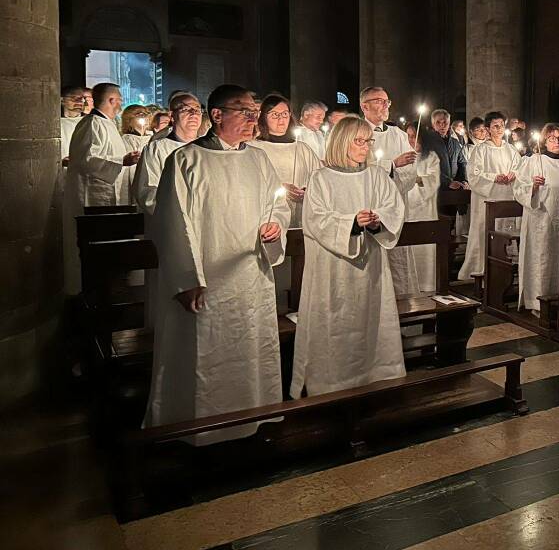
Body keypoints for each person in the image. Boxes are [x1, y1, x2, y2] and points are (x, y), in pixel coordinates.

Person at [144, 84, 291, 445]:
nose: (253, 118)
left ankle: (254, 419)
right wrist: (187, 279)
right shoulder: (185, 161)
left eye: (254, 111)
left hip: (250, 279)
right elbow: (173, 223)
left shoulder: (257, 158)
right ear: (217, 115)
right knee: (204, 355)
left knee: (250, 352)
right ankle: (198, 431)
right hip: (207, 279)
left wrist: (275, 226)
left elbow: (278, 205)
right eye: (244, 111)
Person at [290, 116, 407, 397]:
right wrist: (351, 223)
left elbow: (395, 208)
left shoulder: (377, 175)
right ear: (342, 142)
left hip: (371, 268)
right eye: (359, 141)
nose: (366, 146)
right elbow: (315, 220)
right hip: (333, 269)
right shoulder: (321, 178)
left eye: (369, 141)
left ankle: (377, 374)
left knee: (371, 320)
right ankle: (332, 383)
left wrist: (378, 221)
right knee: (335, 322)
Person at [131, 93, 204, 328]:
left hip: (203, 231)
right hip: (170, 231)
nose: (193, 114)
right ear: (172, 116)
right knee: (171, 295)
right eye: (186, 109)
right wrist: (179, 212)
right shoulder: (158, 149)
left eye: (197, 109)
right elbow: (145, 191)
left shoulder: (207, 149)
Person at [63, 83, 141, 294]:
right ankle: (92, 293)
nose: (121, 104)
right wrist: (121, 161)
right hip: (92, 197)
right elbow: (86, 159)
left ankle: (107, 287)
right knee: (92, 251)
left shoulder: (106, 123)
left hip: (106, 195)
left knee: (106, 250)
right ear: (111, 100)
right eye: (119, 99)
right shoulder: (93, 124)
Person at [512, 123, 559, 315]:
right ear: (544, 141)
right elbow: (519, 189)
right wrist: (534, 187)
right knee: (544, 259)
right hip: (542, 224)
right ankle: (539, 301)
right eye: (552, 138)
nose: (557, 142)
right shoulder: (533, 161)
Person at [359, 86, 419, 293]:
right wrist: (391, 165)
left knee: (397, 256)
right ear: (364, 106)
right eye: (379, 101)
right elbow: (356, 167)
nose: (385, 105)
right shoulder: (356, 132)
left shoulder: (399, 135)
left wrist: (399, 172)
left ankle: (401, 297)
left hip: (397, 204)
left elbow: (411, 169)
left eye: (387, 101)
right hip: (369, 205)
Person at [458, 111, 521, 282]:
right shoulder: (480, 150)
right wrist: (494, 177)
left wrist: (513, 174)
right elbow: (473, 175)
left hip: (506, 197)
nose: (500, 128)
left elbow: (519, 167)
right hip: (487, 199)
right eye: (495, 126)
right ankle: (481, 270)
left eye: (502, 125)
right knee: (485, 233)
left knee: (505, 233)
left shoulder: (511, 149)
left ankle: (506, 271)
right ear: (488, 129)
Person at [248, 95, 321, 228]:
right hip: (267, 216)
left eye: (285, 114)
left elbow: (319, 179)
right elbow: (249, 182)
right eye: (275, 115)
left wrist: (307, 191)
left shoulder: (302, 148)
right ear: (264, 117)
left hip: (301, 212)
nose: (281, 119)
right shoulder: (254, 147)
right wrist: (280, 189)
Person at [405, 124, 442, 294]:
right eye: (409, 136)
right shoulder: (404, 156)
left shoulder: (431, 157)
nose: (411, 140)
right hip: (407, 208)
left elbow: (433, 180)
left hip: (425, 208)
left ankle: (426, 284)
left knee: (424, 248)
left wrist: (418, 179)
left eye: (414, 136)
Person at [422, 108, 468, 192]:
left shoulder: (455, 143)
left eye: (445, 123)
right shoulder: (427, 143)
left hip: (455, 189)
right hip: (436, 190)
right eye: (438, 122)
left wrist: (463, 180)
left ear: (449, 123)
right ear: (433, 124)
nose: (442, 125)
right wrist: (447, 182)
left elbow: (462, 163)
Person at [120, 104, 152, 203]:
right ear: (128, 119)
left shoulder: (152, 137)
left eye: (145, 114)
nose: (144, 117)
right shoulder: (126, 139)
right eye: (139, 114)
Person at [59, 86, 85, 164]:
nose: (79, 102)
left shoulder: (90, 121)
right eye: (74, 98)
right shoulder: (55, 123)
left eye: (82, 99)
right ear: (62, 100)